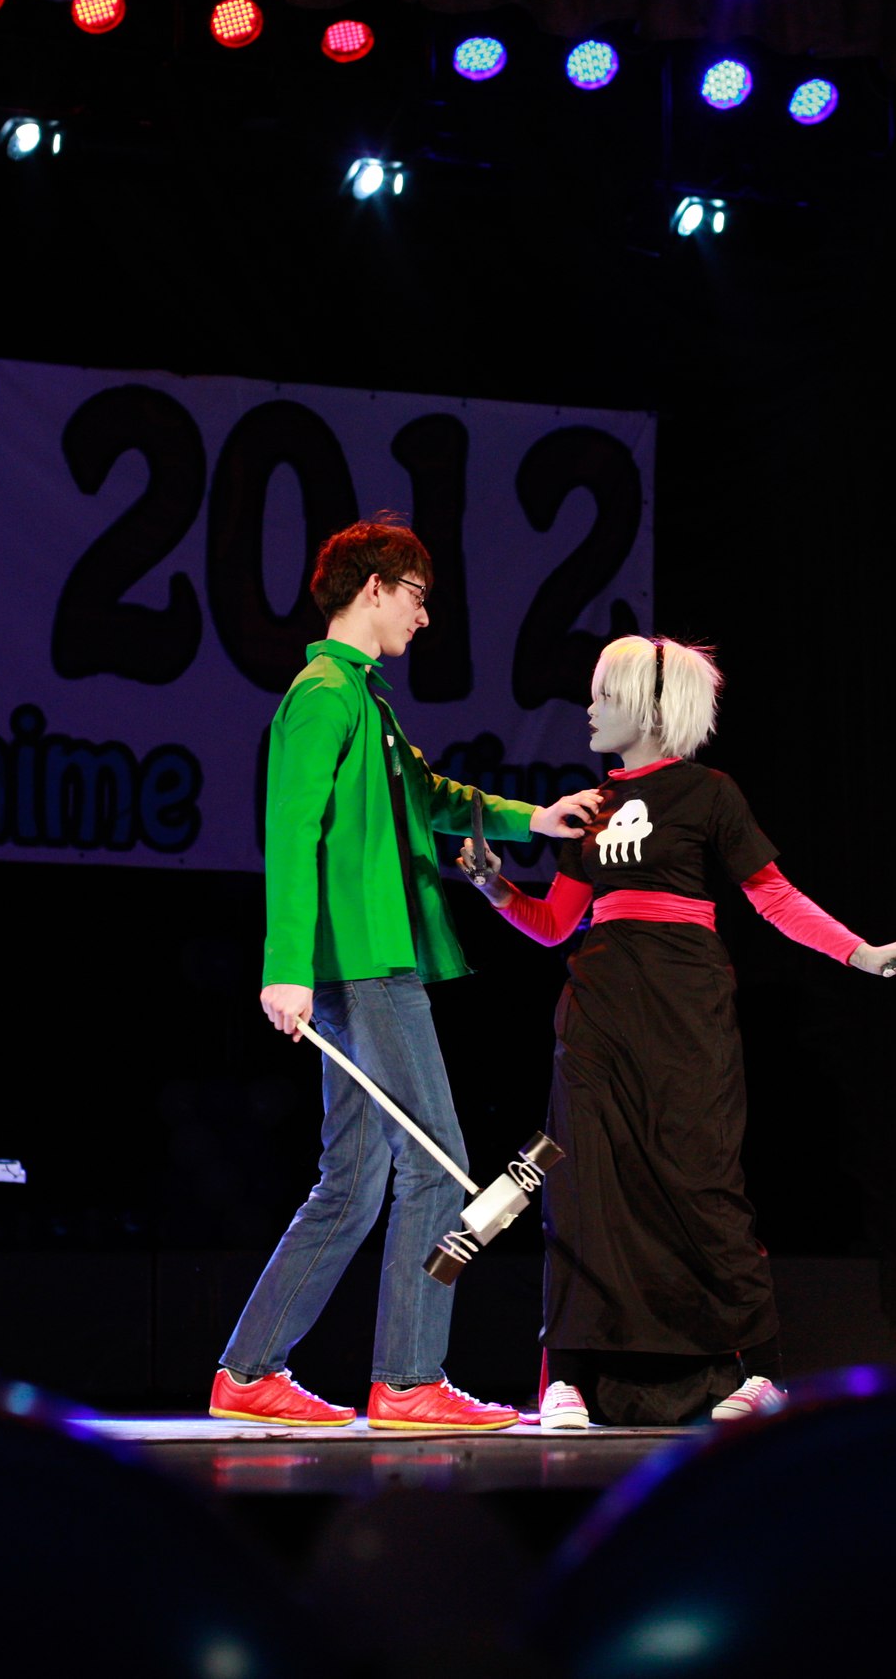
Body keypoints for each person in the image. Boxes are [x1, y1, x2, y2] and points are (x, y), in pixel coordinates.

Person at [458, 635, 896, 1427]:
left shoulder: (709, 793)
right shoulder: (590, 805)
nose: (589, 707)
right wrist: (496, 887)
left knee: (703, 1183)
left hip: (685, 1009)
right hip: (598, 1013)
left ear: (650, 708)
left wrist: (863, 952)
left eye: (605, 693)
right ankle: (566, 1377)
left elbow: (774, 896)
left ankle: (760, 1371)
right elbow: (555, 924)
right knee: (580, 1189)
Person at [208, 518, 602, 1433]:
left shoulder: (362, 699)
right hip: (364, 965)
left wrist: (534, 819)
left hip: (368, 961)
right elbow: (291, 831)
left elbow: (429, 796)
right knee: (437, 1165)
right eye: (418, 597)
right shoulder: (322, 695)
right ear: (376, 587)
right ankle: (409, 1378)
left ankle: (248, 1370)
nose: (424, 618)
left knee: (351, 1180)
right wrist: (284, 968)